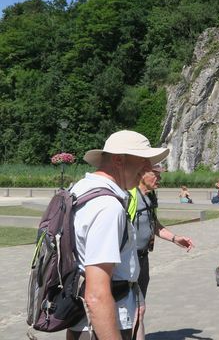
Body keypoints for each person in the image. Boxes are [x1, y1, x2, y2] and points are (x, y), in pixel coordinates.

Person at [68, 129, 169, 340]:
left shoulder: (80, 188)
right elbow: (96, 295)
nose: (148, 168)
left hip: (83, 321)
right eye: (143, 160)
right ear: (119, 160)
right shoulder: (107, 206)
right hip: (103, 324)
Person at [129, 164, 194, 340]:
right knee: (137, 309)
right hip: (128, 263)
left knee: (137, 310)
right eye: (156, 175)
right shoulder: (129, 196)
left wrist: (175, 238)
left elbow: (154, 225)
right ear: (142, 173)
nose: (160, 179)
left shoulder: (150, 197)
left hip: (143, 259)